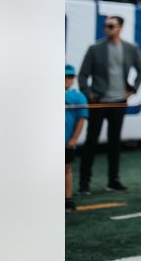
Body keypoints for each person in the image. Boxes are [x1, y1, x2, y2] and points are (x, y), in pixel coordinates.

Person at [77, 15, 141, 194]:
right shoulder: (94, 49)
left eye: (110, 26)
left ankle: (113, 180)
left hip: (118, 102)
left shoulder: (130, 48)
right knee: (91, 142)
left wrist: (133, 89)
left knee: (115, 142)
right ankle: (84, 183)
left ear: (119, 28)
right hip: (98, 101)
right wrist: (88, 94)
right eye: (105, 26)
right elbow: (83, 75)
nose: (106, 29)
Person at [65, 63, 89, 211]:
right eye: (65, 76)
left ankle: (68, 199)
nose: (67, 79)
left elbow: (82, 119)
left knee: (66, 169)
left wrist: (74, 139)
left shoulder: (78, 97)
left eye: (70, 77)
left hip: (66, 141)